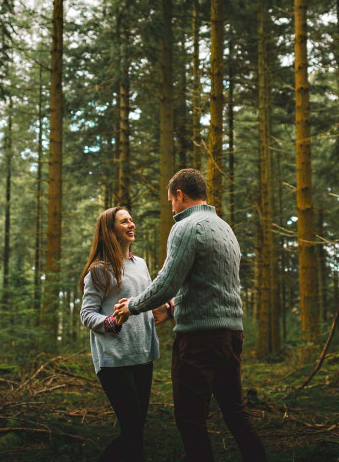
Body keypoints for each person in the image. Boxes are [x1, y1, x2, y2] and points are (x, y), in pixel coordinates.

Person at [114, 168, 267, 462]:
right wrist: (171, 309)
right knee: (235, 412)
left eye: (171, 200)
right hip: (231, 334)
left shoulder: (186, 227)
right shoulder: (224, 227)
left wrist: (131, 305)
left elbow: (167, 282)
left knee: (189, 418)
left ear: (180, 195)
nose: (171, 207)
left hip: (198, 340)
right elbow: (205, 286)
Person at [79, 206, 170, 462]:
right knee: (132, 429)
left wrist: (167, 308)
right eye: (124, 222)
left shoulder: (140, 264)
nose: (131, 224)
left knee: (136, 430)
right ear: (110, 231)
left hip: (143, 354)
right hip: (114, 359)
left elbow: (150, 300)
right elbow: (86, 315)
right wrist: (112, 322)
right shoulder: (99, 269)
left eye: (131, 220)